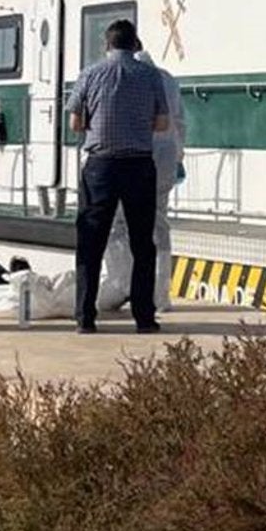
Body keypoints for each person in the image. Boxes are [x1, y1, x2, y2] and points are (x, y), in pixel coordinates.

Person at [67, 18, 172, 333]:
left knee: (91, 241)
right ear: (134, 44)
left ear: (107, 43)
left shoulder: (90, 74)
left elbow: (74, 123)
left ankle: (85, 318)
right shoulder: (151, 75)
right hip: (139, 164)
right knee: (143, 243)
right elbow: (163, 124)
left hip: (100, 165)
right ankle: (144, 317)